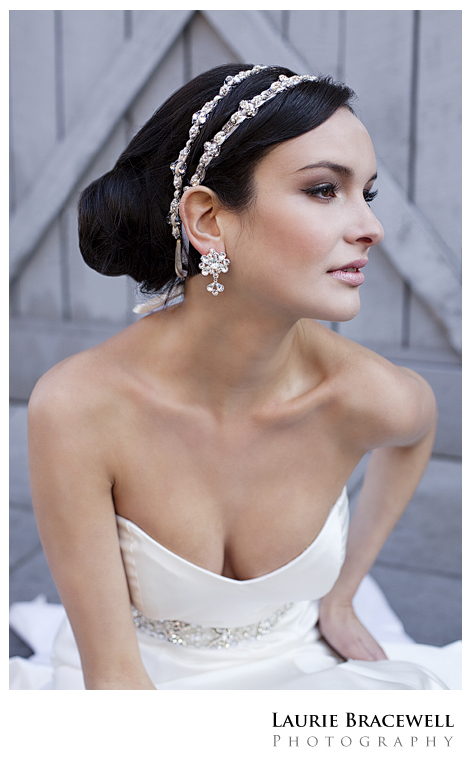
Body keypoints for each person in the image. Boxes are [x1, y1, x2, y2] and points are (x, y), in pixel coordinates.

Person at [10, 64, 461, 690]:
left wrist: (342, 595)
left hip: (303, 670)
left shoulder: (365, 395)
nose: (371, 228)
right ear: (209, 220)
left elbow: (418, 428)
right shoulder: (81, 408)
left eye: (369, 193)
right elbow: (114, 680)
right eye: (324, 190)